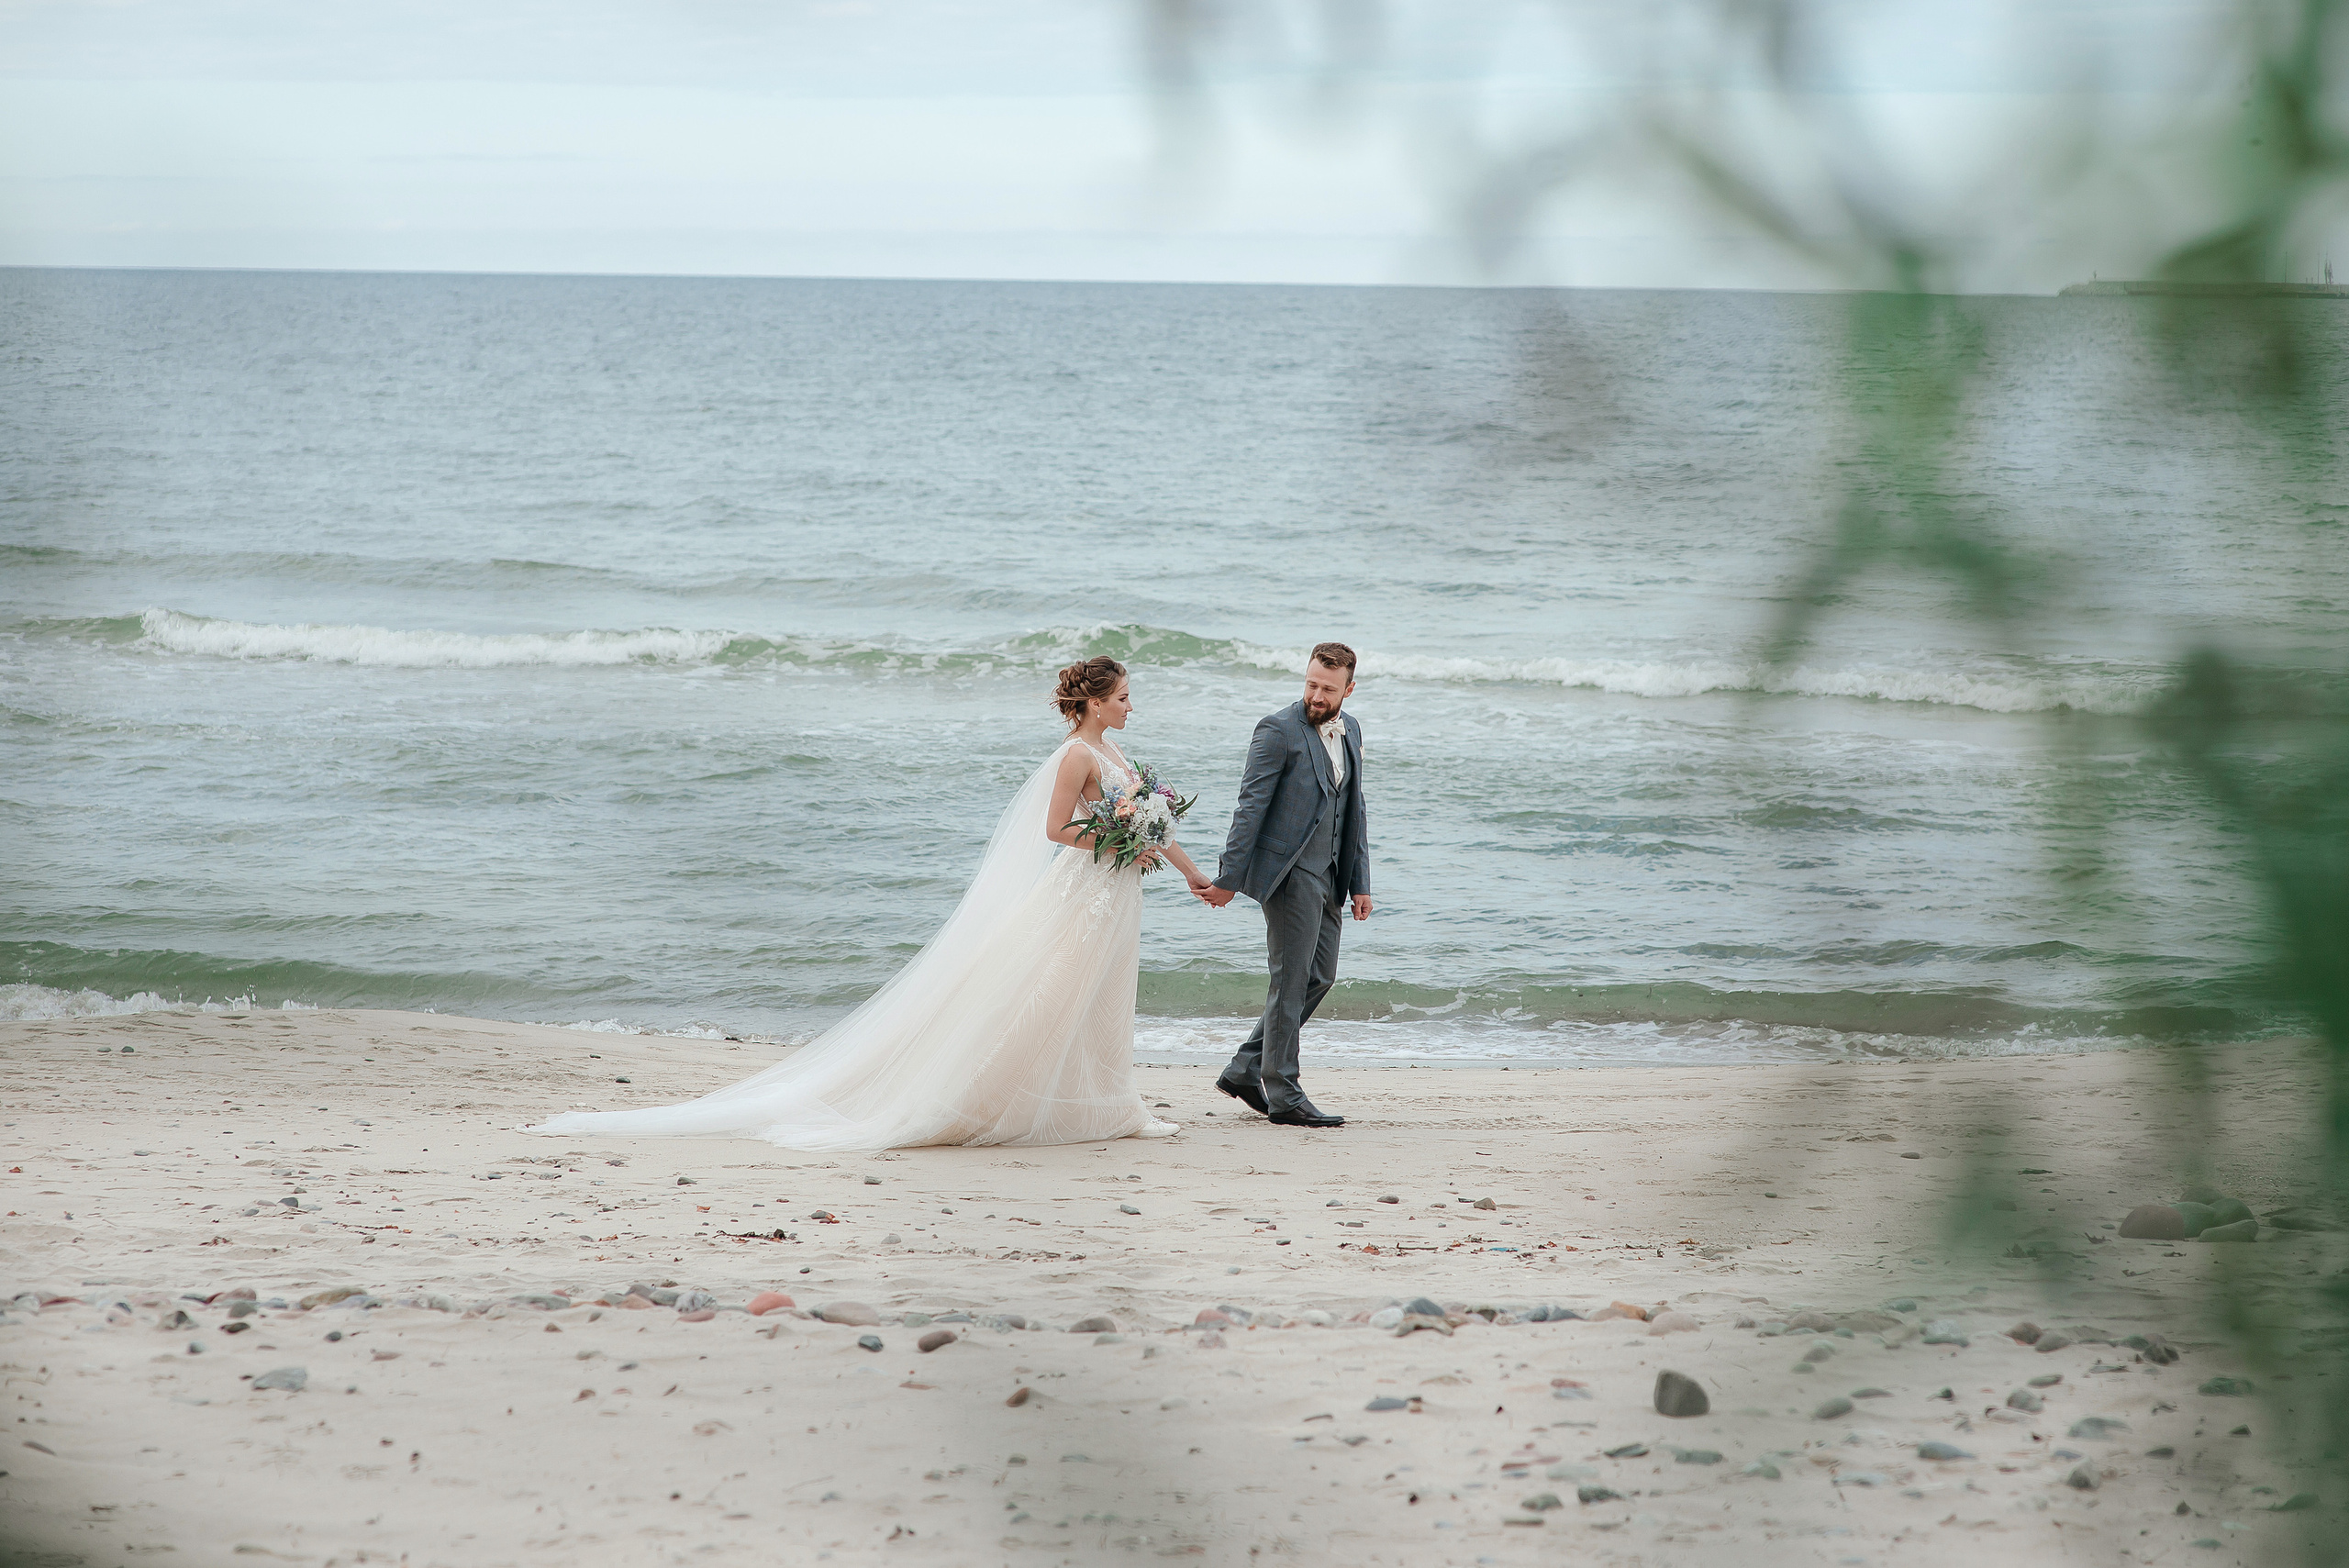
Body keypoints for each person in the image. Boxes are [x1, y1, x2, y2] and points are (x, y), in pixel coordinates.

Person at [529, 657, 1208, 1150]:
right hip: (1084, 891)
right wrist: (1117, 841)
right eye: (1123, 697)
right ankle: (1033, 1099)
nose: (1129, 706)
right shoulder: (1073, 757)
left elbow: (1150, 823)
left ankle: (1109, 1102)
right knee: (1055, 993)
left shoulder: (1112, 748)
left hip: (1114, 892)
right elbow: (1058, 831)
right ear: (1093, 703)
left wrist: (1188, 873)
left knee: (1106, 992)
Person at [1196, 642, 1371, 1128]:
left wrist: (1361, 882)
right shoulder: (1277, 730)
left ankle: (1246, 1069)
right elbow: (1249, 808)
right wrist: (1228, 878)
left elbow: (1354, 809)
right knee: (1289, 982)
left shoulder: (1352, 729)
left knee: (1320, 978)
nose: (1317, 695)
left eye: (1328, 689)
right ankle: (1284, 1092)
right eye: (1312, 684)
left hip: (1332, 876)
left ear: (1348, 690)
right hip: (1289, 874)